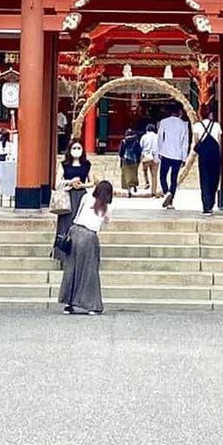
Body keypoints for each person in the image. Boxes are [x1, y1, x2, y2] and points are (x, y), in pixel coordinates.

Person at [59, 179, 113, 315]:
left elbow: (77, 214)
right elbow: (107, 221)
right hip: (89, 236)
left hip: (75, 231)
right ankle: (91, 305)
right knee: (89, 271)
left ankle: (68, 303)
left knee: (72, 268)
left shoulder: (86, 198)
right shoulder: (107, 207)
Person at [53, 140, 92, 264]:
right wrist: (70, 182)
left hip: (81, 196)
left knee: (81, 225)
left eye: (78, 148)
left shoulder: (87, 165)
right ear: (69, 150)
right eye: (74, 148)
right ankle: (62, 254)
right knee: (65, 224)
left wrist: (82, 184)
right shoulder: (64, 164)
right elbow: (57, 183)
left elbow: (92, 182)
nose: (76, 150)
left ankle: (79, 253)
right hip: (67, 196)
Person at [157, 104, 190, 208]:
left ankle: (167, 192)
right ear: (179, 112)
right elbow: (185, 143)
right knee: (174, 178)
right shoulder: (184, 124)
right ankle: (171, 201)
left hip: (166, 153)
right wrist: (184, 157)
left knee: (162, 176)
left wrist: (159, 151)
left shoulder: (164, 122)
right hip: (178, 155)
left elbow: (160, 138)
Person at [193, 106, 222, 215]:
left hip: (203, 156)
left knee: (204, 179)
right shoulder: (216, 126)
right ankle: (212, 203)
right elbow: (219, 142)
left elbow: (196, 141)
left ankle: (206, 205)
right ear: (210, 114)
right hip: (214, 155)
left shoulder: (197, 126)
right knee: (214, 178)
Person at [118, 128, 141, 196]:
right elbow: (139, 151)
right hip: (134, 161)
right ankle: (134, 185)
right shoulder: (136, 142)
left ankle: (129, 191)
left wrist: (122, 158)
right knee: (134, 175)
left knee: (126, 176)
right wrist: (138, 160)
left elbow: (120, 153)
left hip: (125, 162)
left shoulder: (124, 141)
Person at [139, 122, 159, 196]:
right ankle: (153, 191)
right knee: (154, 175)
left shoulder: (144, 137)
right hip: (155, 157)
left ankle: (147, 182)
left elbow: (141, 146)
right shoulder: (158, 136)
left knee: (144, 171)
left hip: (146, 156)